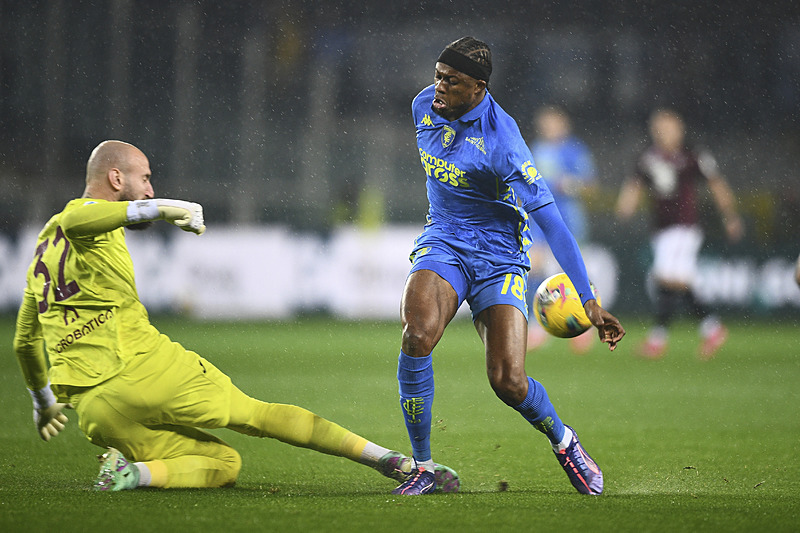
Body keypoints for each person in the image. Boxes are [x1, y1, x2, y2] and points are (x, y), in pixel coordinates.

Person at [13, 140, 460, 492]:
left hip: (94, 412)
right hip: (141, 369)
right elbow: (80, 219)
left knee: (224, 465)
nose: (150, 188)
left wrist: (42, 402)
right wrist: (167, 207)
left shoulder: (40, 252)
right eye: (145, 179)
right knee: (258, 415)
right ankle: (392, 462)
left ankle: (132, 476)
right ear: (115, 177)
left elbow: (24, 342)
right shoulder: (80, 217)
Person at [389, 37, 625, 496]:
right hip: (444, 239)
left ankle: (565, 442)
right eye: (438, 75)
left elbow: (552, 223)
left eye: (451, 81)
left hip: (499, 256)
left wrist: (591, 300)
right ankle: (423, 467)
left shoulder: (504, 142)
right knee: (417, 335)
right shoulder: (424, 105)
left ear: (478, 88)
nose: (438, 87)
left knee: (508, 381)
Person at [615, 109, 744, 360]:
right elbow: (635, 183)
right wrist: (626, 204)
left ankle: (658, 339)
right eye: (658, 127)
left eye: (668, 127)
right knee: (677, 280)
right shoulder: (647, 156)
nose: (662, 131)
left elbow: (717, 183)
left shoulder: (692, 154)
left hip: (684, 226)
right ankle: (712, 328)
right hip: (661, 229)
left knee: (665, 277)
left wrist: (730, 215)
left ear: (680, 129)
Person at [525, 105, 597, 354]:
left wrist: (572, 185)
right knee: (534, 268)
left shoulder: (575, 151)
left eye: (552, 123)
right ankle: (537, 326)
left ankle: (584, 325)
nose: (548, 128)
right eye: (545, 123)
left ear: (563, 125)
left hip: (568, 220)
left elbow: (590, 186)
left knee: (570, 274)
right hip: (539, 220)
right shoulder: (536, 149)